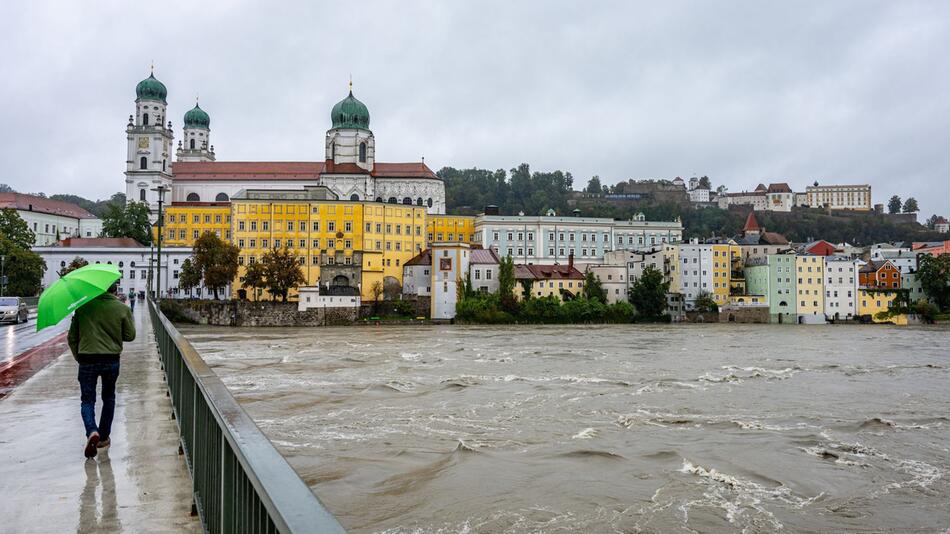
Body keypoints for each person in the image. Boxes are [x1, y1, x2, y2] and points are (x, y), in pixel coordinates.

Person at [67, 281, 135, 458]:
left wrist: (78, 356)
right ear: (115, 289)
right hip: (111, 359)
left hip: (87, 359)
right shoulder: (121, 308)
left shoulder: (82, 308)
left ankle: (91, 431)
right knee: (109, 397)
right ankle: (103, 437)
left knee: (87, 400)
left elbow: (72, 337)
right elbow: (130, 335)